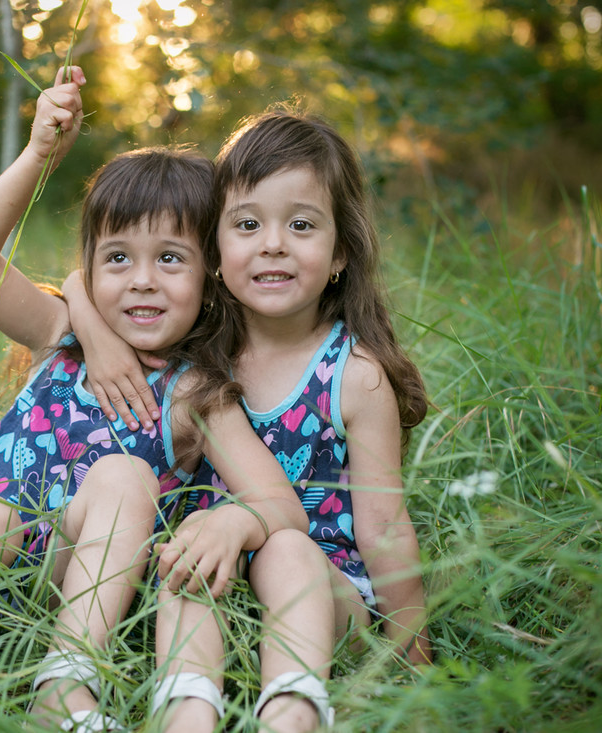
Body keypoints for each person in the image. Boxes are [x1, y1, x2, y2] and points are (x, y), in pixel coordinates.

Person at [0, 68, 307, 732]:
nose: (142, 282)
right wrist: (40, 156)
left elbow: (280, 504)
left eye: (170, 258)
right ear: (91, 267)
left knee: (125, 474)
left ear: (210, 274)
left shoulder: (196, 391)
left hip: (82, 577)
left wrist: (233, 523)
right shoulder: (59, 331)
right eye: (117, 259)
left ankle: (65, 682)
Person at [70, 107, 433, 732]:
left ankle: (291, 715)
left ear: (341, 249)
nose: (272, 243)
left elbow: (386, 529)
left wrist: (418, 667)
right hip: (205, 579)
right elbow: (84, 281)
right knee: (189, 563)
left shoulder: (354, 373)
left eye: (300, 224)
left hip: (321, 596)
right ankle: (187, 717)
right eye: (246, 224)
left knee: (286, 547)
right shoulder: (194, 337)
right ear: (213, 250)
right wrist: (91, 324)